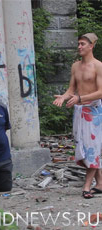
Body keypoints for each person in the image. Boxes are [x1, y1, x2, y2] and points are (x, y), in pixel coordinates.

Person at [53, 33, 102, 199]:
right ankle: (100, 183)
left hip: (94, 112)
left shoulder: (98, 66)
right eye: (78, 44)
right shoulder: (75, 66)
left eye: (83, 44)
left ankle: (87, 185)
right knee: (82, 148)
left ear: (91, 46)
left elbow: (101, 92)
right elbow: (71, 89)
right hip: (79, 112)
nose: (79, 47)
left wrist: (80, 99)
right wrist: (64, 97)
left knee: (92, 149)